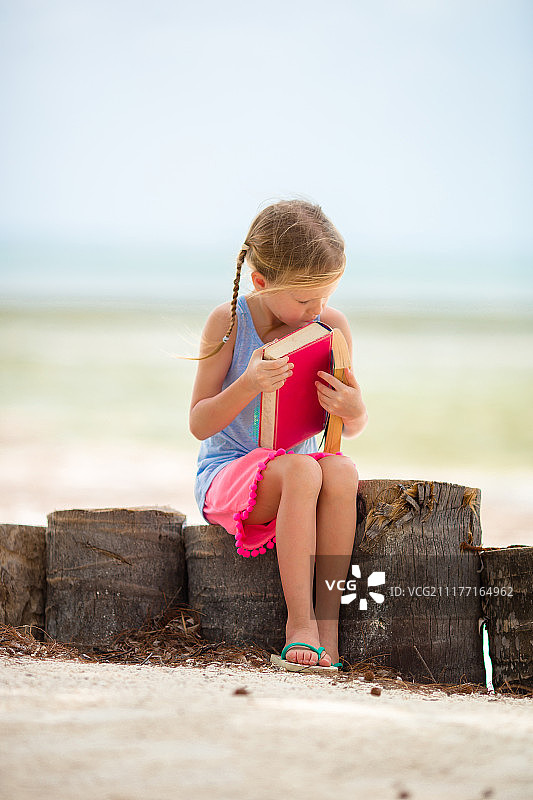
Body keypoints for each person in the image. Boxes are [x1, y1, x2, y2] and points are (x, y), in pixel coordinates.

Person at [189, 199, 368, 671]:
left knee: (344, 471)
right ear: (262, 283)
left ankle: (328, 625)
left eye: (326, 296)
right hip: (229, 474)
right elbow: (199, 423)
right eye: (306, 300)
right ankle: (300, 623)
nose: (318, 309)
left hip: (297, 467)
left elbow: (353, 424)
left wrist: (353, 408)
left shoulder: (331, 328)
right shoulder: (228, 323)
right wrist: (248, 384)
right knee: (304, 472)